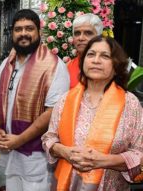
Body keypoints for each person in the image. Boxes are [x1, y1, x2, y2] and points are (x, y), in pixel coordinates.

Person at [42, 35, 143, 191]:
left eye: (105, 56)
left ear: (116, 66)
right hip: (67, 184)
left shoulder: (130, 104)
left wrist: (103, 161)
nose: (96, 60)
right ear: (83, 63)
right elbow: (49, 138)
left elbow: (140, 154)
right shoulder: (66, 100)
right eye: (91, 54)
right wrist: (64, 151)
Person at [0, 9, 70, 191]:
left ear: (39, 32)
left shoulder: (53, 66)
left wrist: (19, 140)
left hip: (35, 155)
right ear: (12, 33)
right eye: (18, 29)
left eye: (29, 28)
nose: (23, 33)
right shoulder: (6, 64)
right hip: (9, 149)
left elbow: (52, 112)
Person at [68, 13, 103, 89]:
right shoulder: (67, 68)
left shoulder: (110, 67)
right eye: (77, 33)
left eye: (88, 33)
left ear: (99, 37)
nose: (81, 38)